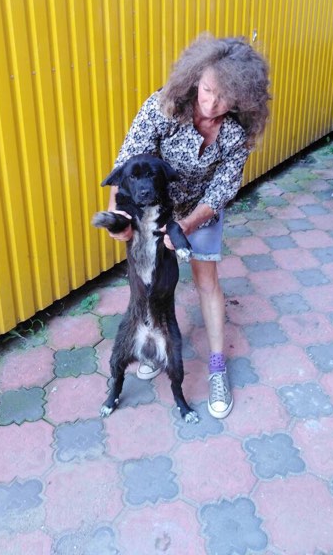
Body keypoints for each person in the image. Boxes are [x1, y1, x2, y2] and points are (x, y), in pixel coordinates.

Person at [105, 33, 270, 418]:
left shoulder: (235, 134)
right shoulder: (163, 107)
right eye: (207, 90)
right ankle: (152, 348)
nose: (211, 104)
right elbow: (128, 160)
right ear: (196, 78)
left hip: (201, 210)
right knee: (154, 283)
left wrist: (188, 224)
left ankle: (217, 366)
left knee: (206, 281)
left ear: (241, 99)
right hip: (154, 207)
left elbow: (223, 187)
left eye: (224, 98)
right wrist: (120, 215)